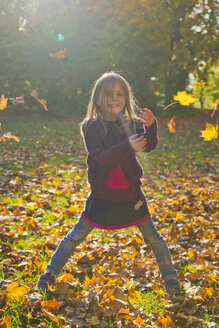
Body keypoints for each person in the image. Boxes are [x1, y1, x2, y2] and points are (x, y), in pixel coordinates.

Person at [36, 71, 182, 298]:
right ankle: (50, 273)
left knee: (154, 238)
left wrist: (151, 126)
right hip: (103, 197)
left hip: (131, 196)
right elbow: (101, 156)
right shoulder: (91, 126)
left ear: (126, 98)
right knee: (75, 236)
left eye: (119, 94)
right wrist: (127, 146)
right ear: (97, 99)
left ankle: (171, 280)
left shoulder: (132, 123)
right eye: (108, 95)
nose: (114, 99)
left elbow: (148, 146)